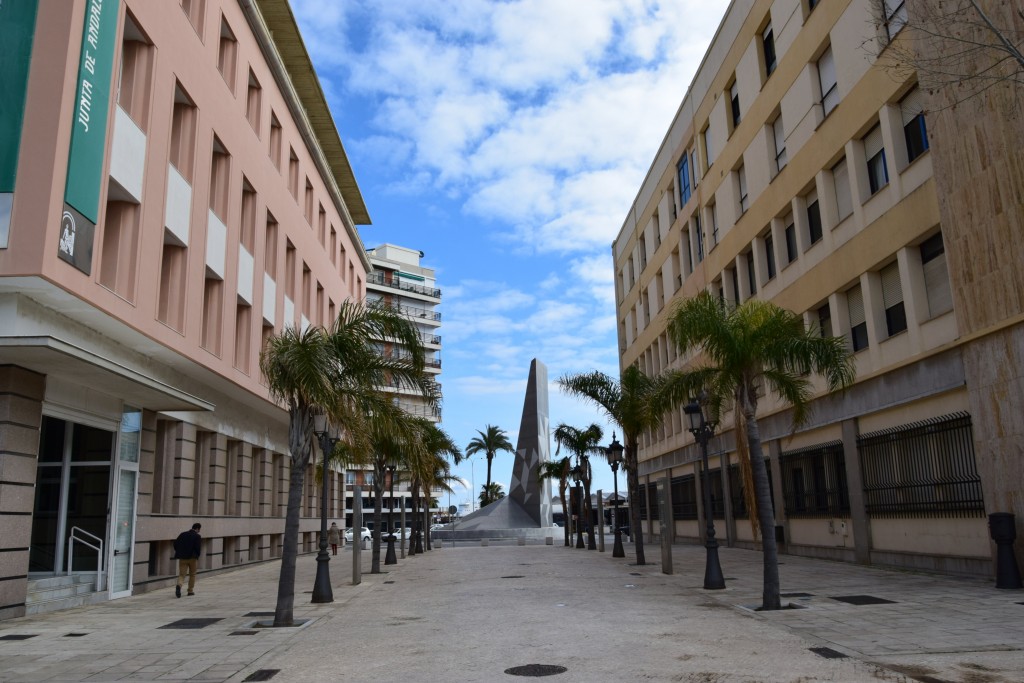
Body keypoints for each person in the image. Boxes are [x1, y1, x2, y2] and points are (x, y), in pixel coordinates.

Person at [173, 523, 202, 598]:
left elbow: (175, 544)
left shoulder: (182, 534)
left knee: (182, 574)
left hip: (182, 558)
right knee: (192, 574)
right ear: (197, 529)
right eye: (199, 530)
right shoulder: (197, 536)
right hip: (192, 558)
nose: (199, 531)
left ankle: (179, 586)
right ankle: (190, 591)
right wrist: (197, 555)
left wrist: (180, 552)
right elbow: (198, 548)